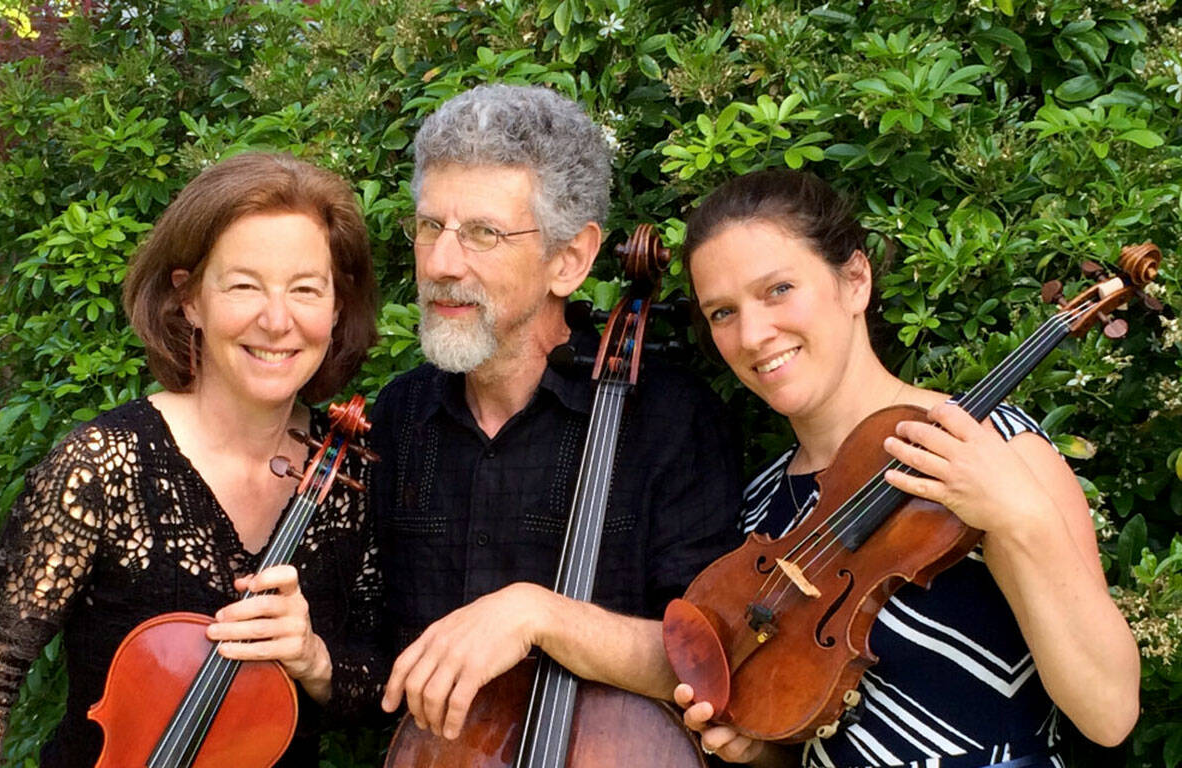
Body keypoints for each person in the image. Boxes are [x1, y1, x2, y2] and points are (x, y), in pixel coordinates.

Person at [0, 152, 382, 768]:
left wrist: (316, 662)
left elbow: (382, 690)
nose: (277, 320)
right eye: (244, 285)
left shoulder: (351, 483)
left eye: (305, 289)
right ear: (189, 299)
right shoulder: (104, 466)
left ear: (335, 308)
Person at [672, 169, 1141, 768]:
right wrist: (762, 748)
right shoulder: (765, 505)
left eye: (779, 289)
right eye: (722, 312)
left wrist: (1019, 517)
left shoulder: (987, 446)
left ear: (855, 280)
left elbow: (1108, 714)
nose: (754, 334)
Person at [370, 83, 744, 741]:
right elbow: (368, 653)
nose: (441, 262)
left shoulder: (667, 421)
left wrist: (536, 615)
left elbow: (718, 659)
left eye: (483, 233)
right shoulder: (401, 416)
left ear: (569, 259)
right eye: (430, 226)